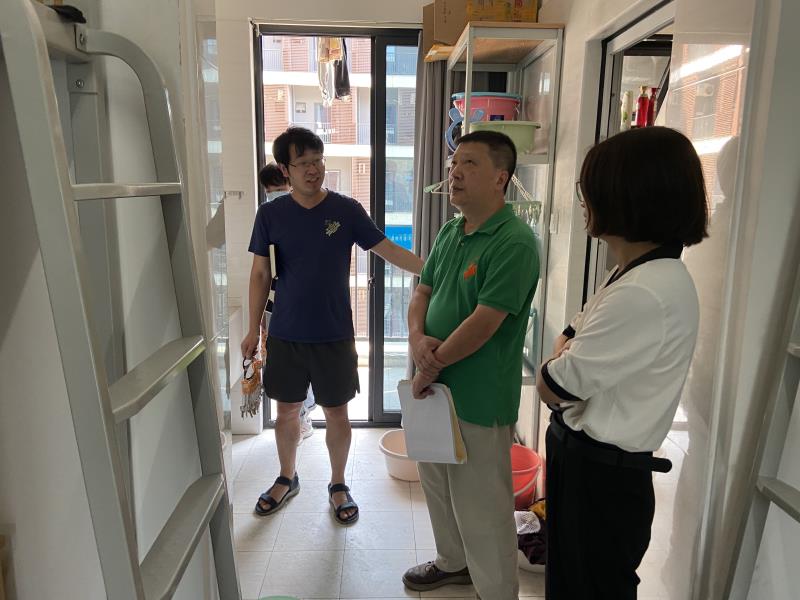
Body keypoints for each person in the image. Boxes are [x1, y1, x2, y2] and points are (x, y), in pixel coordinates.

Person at [536, 126, 708, 600]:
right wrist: (564, 353)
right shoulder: (633, 271)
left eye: (590, 188)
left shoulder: (645, 292)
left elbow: (554, 384)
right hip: (589, 464)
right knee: (573, 582)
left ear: (628, 196)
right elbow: (569, 335)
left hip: (602, 476)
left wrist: (560, 359)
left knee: (590, 588)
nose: (584, 201)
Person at [242, 127, 423, 523]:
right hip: (286, 333)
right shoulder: (271, 214)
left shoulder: (346, 210)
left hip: (334, 334)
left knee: (338, 414)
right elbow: (260, 274)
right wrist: (252, 329)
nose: (314, 170)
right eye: (303, 163)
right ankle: (287, 477)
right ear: (285, 170)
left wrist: (431, 271)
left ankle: (338, 484)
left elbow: (387, 249)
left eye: (318, 161)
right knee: (286, 413)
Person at [402, 130, 539, 599]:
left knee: (482, 503)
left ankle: (496, 592)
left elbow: (485, 322)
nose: (454, 173)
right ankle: (453, 563)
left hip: (479, 396)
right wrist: (417, 338)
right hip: (434, 391)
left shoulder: (515, 242)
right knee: (438, 485)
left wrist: (429, 364)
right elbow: (422, 292)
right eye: (453, 163)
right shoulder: (450, 231)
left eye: (469, 164)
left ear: (501, 177)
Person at [257, 161, 317, 444]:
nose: (275, 195)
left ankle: (302, 416)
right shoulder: (274, 216)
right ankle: (301, 417)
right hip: (284, 304)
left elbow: (262, 272)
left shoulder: (276, 214)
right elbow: (261, 272)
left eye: (277, 189)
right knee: (296, 365)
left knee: (296, 364)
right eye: (271, 191)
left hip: (287, 304)